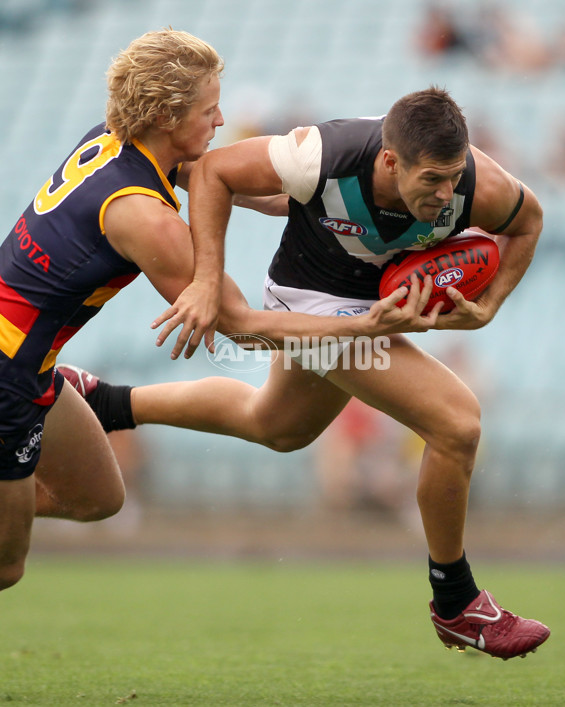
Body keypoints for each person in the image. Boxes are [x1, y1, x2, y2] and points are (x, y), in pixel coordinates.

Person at [73, 87, 550, 659]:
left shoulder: (480, 184)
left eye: (454, 176)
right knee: (458, 424)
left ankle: (101, 401)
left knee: (277, 426)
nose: (447, 193)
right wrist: (204, 279)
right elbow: (215, 172)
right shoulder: (323, 153)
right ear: (391, 160)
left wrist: (490, 306)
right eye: (432, 181)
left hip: (369, 304)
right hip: (310, 303)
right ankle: (457, 603)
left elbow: (530, 222)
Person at [0, 28, 443, 595]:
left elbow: (248, 189)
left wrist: (337, 197)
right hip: (9, 376)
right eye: (209, 110)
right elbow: (242, 327)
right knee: (7, 567)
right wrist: (363, 327)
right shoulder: (145, 218)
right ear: (166, 117)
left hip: (31, 363)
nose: (220, 119)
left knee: (98, 498)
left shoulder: (113, 143)